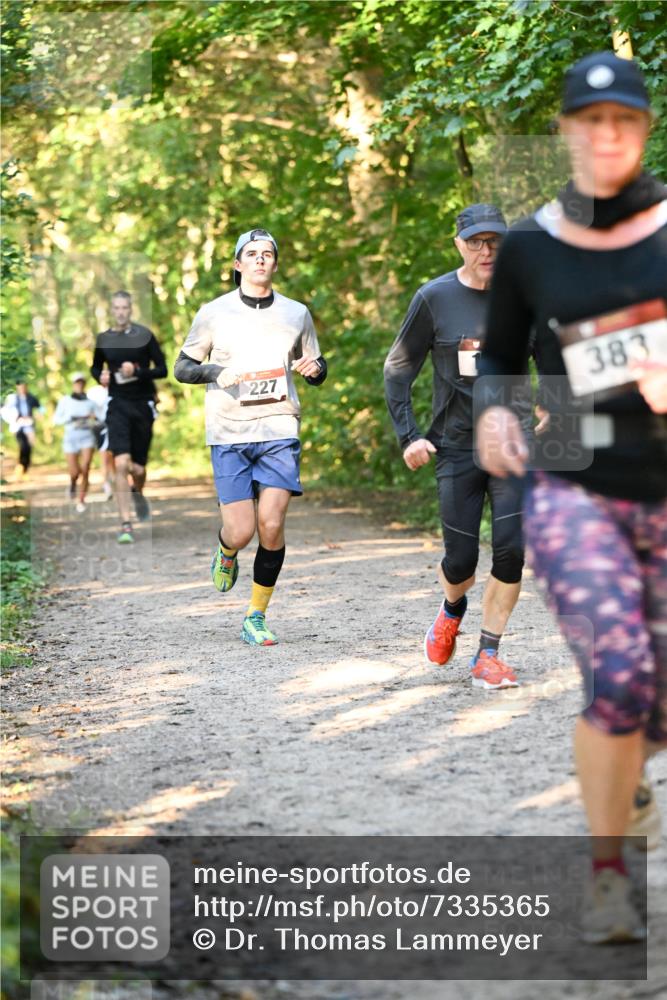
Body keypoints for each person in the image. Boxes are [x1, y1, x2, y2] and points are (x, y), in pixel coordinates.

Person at [475, 52, 666, 943]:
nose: (605, 136)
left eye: (622, 121)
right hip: (571, 481)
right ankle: (605, 879)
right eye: (588, 122)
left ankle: (626, 761)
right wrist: (492, 419)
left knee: (649, 705)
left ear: (642, 130)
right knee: (617, 676)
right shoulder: (528, 245)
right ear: (563, 130)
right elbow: (500, 360)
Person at [384, 204, 538, 690]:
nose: (486, 250)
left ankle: (488, 654)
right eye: (475, 241)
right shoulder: (435, 298)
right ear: (459, 245)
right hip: (456, 446)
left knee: (511, 552)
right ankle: (452, 608)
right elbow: (398, 369)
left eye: (494, 241)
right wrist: (410, 436)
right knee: (460, 562)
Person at [174, 228, 327, 646]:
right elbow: (183, 368)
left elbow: (315, 363)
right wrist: (214, 372)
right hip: (228, 432)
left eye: (268, 254)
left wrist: (315, 371)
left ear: (275, 264)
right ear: (238, 264)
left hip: (279, 428)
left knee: (271, 524)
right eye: (252, 254)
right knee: (241, 531)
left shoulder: (296, 313)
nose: (261, 259)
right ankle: (227, 552)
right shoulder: (213, 313)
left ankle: (256, 615)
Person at [91, 290, 167, 543]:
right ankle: (126, 524)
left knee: (138, 468)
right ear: (111, 310)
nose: (121, 312)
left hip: (142, 405)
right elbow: (95, 366)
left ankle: (138, 492)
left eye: (125, 308)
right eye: (117, 308)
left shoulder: (144, 336)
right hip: (117, 405)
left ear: (130, 310)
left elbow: (163, 370)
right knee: (121, 463)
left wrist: (137, 370)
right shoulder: (104, 339)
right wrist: (99, 376)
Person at [52, 373, 102, 512]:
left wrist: (94, 417)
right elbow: (56, 419)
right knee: (75, 472)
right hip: (70, 438)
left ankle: (81, 499)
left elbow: (102, 418)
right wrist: (69, 418)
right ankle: (73, 482)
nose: (79, 385)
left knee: (86, 468)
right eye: (77, 383)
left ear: (84, 384)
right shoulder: (65, 400)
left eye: (82, 383)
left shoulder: (90, 403)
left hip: (87, 437)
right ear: (73, 384)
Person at [1, 381, 41, 478]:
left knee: (29, 448)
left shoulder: (31, 398)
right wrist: (14, 419)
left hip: (29, 426)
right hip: (18, 426)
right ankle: (21, 467)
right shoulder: (13, 399)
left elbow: (40, 408)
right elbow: (5, 410)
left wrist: (38, 415)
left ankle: (24, 469)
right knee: (23, 446)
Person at [86, 379, 115, 499]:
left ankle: (116, 483)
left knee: (114, 457)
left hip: (115, 425)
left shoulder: (117, 389)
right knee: (104, 457)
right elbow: (88, 410)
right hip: (100, 426)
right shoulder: (94, 391)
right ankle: (107, 485)